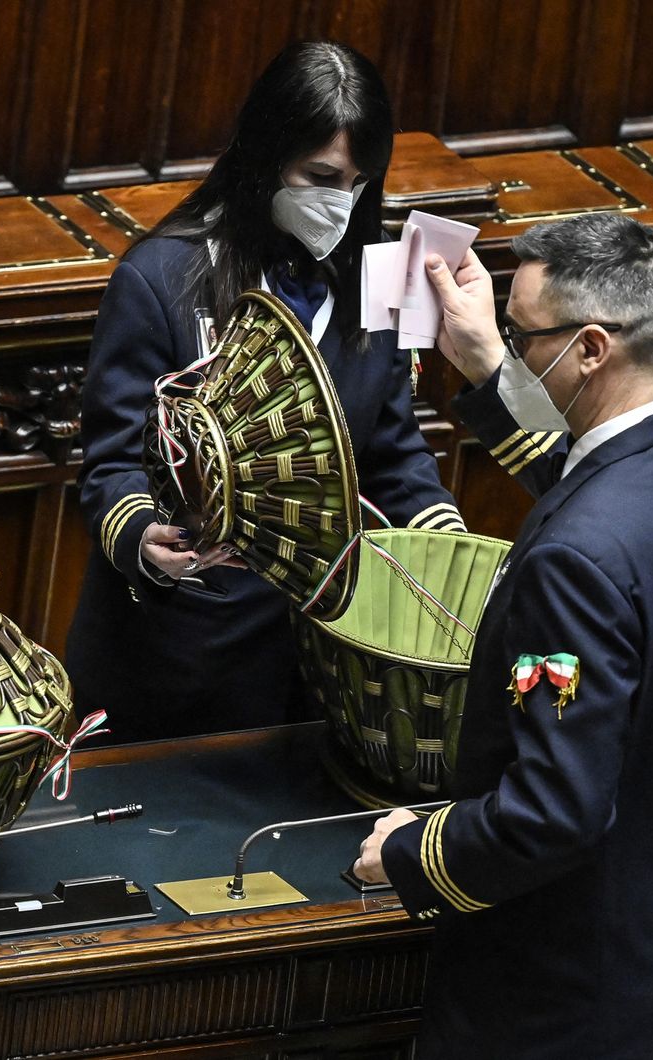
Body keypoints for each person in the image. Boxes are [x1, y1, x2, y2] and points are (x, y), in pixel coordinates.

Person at [353, 213, 653, 1058]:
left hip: (566, 1012)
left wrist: (410, 852)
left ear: (589, 348)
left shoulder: (574, 562)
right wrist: (487, 368)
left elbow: (551, 813)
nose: (512, 347)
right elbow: (602, 485)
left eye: (522, 336)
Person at [65, 41, 465, 743]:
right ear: (267, 152)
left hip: (316, 661)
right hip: (179, 654)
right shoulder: (160, 278)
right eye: (321, 176)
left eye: (359, 182)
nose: (340, 203)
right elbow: (110, 461)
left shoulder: (377, 284)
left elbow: (394, 457)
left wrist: (449, 549)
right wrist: (139, 536)